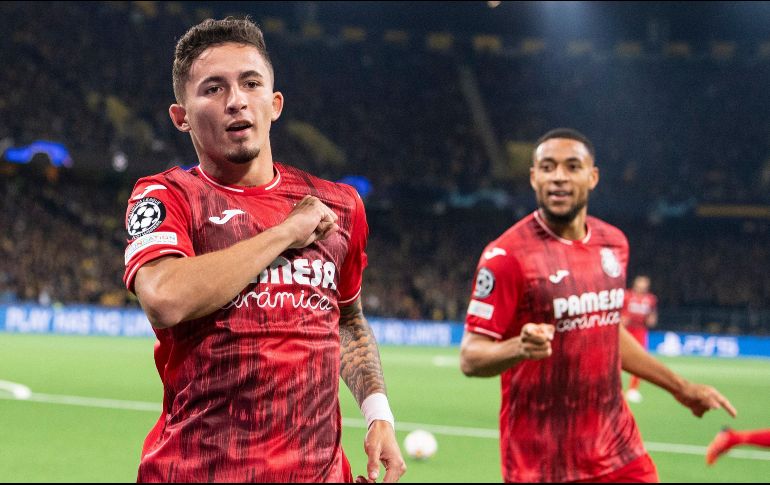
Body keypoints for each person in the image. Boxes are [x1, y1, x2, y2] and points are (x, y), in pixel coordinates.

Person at [122, 17, 405, 483]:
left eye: (250, 84)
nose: (236, 100)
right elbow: (164, 298)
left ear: (274, 104)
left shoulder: (340, 205)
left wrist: (379, 414)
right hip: (198, 472)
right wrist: (284, 233)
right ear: (181, 116)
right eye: (213, 89)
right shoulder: (166, 195)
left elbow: (348, 320)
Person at [459, 128, 737, 483]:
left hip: (619, 450)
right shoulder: (506, 255)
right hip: (543, 463)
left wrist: (681, 388)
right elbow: (470, 357)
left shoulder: (614, 244)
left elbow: (607, 332)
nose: (559, 176)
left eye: (572, 166)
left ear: (592, 177)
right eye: (548, 167)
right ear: (534, 178)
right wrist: (519, 347)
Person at [621, 275, 658, 403]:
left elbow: (652, 316)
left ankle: (633, 390)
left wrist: (651, 319)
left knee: (640, 360)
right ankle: (617, 388)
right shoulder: (626, 296)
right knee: (618, 359)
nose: (641, 287)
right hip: (626, 330)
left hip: (640, 331)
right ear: (635, 285)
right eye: (639, 284)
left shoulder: (651, 299)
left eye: (644, 285)